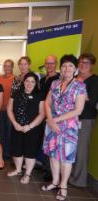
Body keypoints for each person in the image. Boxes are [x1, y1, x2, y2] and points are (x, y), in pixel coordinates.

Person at [42, 55, 86, 200]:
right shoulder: (54, 83)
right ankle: (55, 182)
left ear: (75, 69)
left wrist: (56, 120)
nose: (67, 69)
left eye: (70, 66)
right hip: (52, 125)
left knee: (66, 158)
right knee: (53, 155)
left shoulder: (79, 86)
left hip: (68, 128)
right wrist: (50, 120)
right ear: (60, 68)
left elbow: (78, 110)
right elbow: (47, 103)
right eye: (64, 66)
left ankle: (63, 186)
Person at [7, 72, 45, 184]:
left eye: (32, 81)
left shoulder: (40, 95)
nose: (29, 83)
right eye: (27, 81)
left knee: (30, 152)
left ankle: (27, 174)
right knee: (17, 150)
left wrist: (29, 126)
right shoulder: (16, 93)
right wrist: (14, 123)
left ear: (36, 83)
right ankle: (18, 170)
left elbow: (42, 114)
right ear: (24, 82)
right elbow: (9, 109)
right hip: (17, 127)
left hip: (32, 129)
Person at [69, 53, 98, 187]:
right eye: (80, 62)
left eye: (86, 62)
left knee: (81, 151)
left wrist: (81, 88)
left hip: (85, 120)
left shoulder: (94, 81)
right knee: (70, 149)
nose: (82, 65)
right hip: (70, 119)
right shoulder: (73, 78)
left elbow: (92, 103)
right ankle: (69, 176)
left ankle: (79, 181)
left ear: (91, 64)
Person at [39, 55, 60, 181]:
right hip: (41, 114)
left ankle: (50, 171)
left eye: (52, 63)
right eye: (47, 63)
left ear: (56, 64)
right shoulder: (42, 80)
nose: (49, 65)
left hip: (51, 116)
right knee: (44, 142)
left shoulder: (58, 79)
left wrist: (50, 116)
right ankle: (44, 165)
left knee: (51, 143)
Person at [0, 59, 14, 160]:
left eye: (9, 66)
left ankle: (9, 153)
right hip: (0, 110)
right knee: (2, 132)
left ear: (12, 67)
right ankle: (2, 153)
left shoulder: (15, 78)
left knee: (9, 132)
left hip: (10, 111)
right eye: (5, 66)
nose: (7, 68)